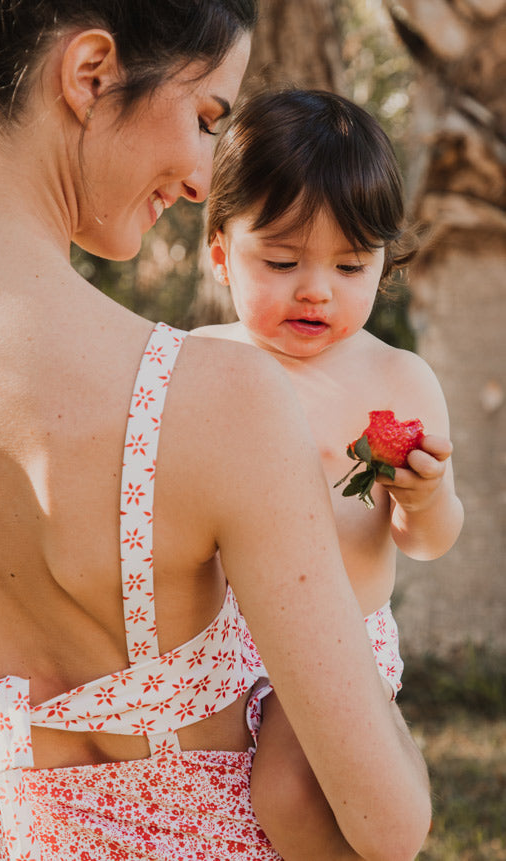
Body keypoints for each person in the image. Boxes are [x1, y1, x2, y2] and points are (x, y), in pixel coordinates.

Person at [0, 3, 431, 858]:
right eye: (205, 119)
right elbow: (386, 823)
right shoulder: (210, 399)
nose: (204, 179)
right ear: (91, 73)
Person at [195, 87, 464, 859]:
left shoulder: (397, 378)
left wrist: (426, 495)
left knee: (289, 791)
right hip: (215, 640)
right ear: (220, 252)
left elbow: (428, 542)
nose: (316, 288)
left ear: (384, 259)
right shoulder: (201, 363)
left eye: (351, 265)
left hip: (334, 642)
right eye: (281, 261)